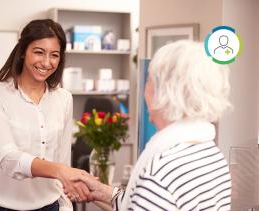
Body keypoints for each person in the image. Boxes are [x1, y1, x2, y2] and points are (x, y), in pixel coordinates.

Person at [72, 40, 232, 210]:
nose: (144, 90)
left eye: (148, 81)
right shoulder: (212, 155)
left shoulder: (159, 173)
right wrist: (101, 190)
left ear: (165, 91)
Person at [0, 19, 94, 211]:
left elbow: (62, 158)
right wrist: (60, 171)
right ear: (22, 52)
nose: (46, 62)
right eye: (39, 52)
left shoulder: (64, 98)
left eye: (54, 55)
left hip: (48, 205)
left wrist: (65, 205)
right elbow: (8, 158)